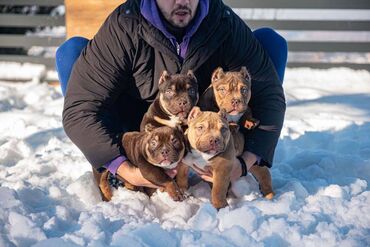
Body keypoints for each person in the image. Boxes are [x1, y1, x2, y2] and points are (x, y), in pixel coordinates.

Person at [60, 0, 286, 197]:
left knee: (270, 42)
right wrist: (124, 167)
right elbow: (80, 108)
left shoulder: (223, 22)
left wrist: (244, 163)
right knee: (72, 52)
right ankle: (111, 164)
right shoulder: (125, 25)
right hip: (138, 133)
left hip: (205, 131)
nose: (182, 1)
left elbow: (270, 97)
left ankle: (238, 152)